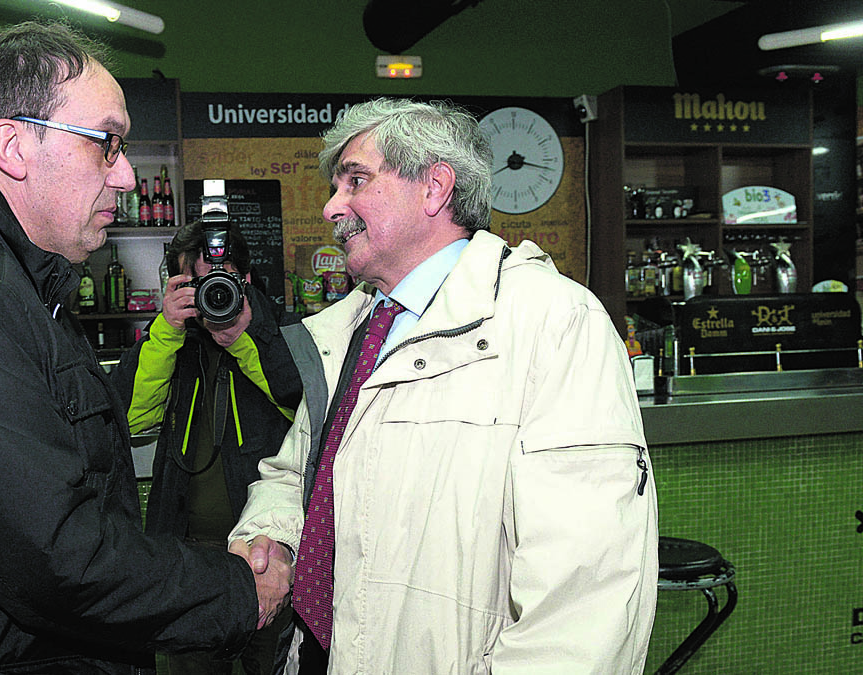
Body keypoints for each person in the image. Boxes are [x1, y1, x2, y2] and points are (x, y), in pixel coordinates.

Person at [0, 21, 290, 674]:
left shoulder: (10, 277)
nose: (125, 175)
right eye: (107, 144)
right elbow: (57, 556)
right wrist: (235, 589)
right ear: (13, 146)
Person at [229, 98, 658, 673]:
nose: (333, 207)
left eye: (356, 180)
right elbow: (300, 469)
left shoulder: (552, 320)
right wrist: (272, 539)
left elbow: (586, 594)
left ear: (434, 187)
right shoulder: (348, 330)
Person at [111, 219, 303, 674]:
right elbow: (130, 418)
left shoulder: (287, 335)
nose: (212, 293)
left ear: (247, 280)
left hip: (266, 553)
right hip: (187, 557)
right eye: (195, 284)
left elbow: (304, 404)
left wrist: (242, 339)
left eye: (222, 280)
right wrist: (167, 331)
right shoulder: (171, 343)